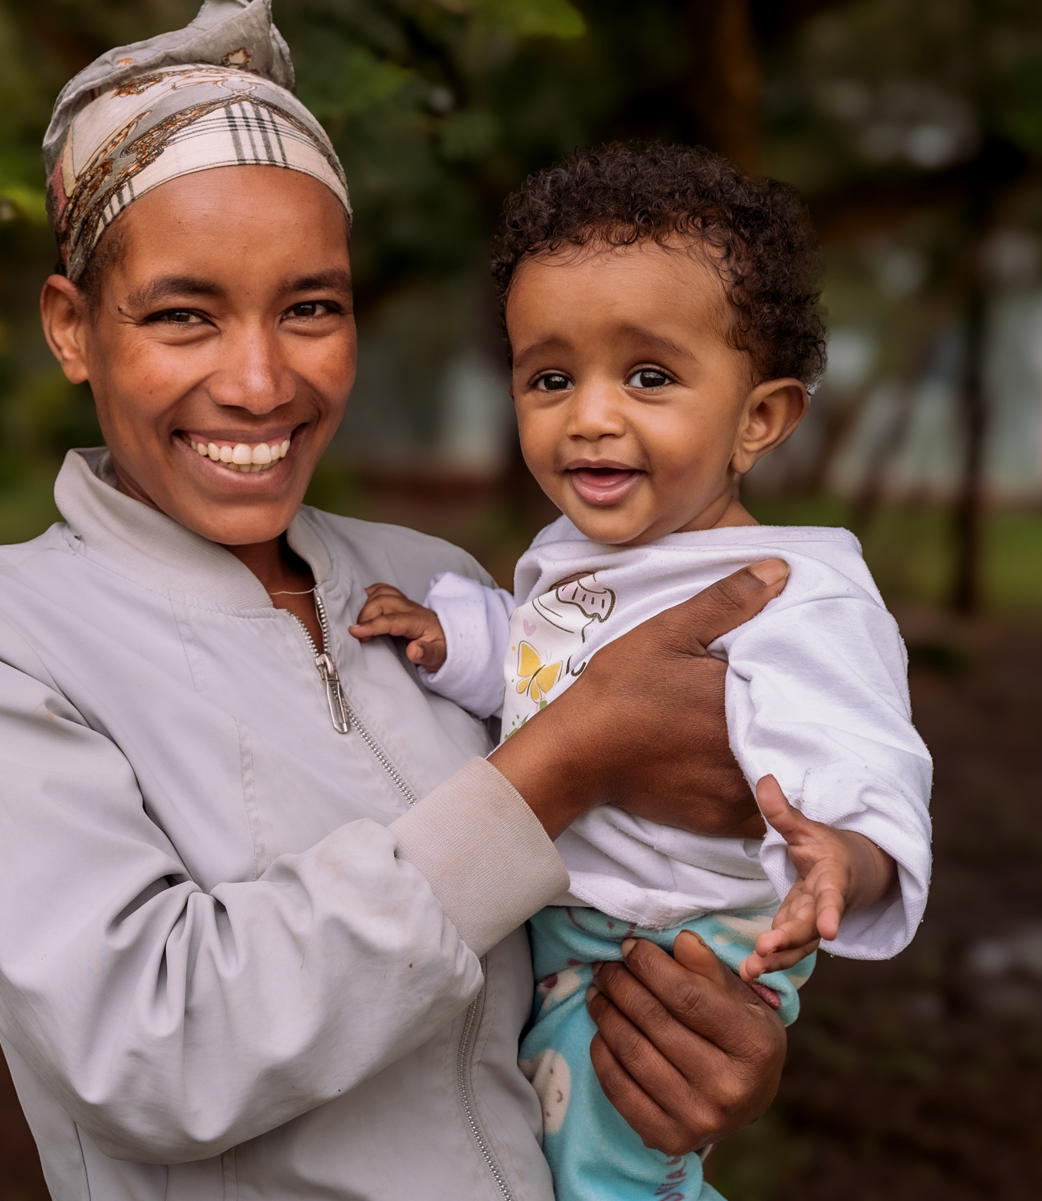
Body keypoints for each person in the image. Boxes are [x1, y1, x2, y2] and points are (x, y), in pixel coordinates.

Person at [0, 0, 845, 1201]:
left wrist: (704, 1045)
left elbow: (586, 933)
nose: (261, 380)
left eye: (310, 308)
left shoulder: (433, 583)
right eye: (184, 315)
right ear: (73, 330)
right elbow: (154, 1055)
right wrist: (563, 763)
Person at [351, 144, 933, 1201]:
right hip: (571, 933)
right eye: (552, 376)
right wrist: (456, 642)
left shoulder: (791, 586)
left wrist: (843, 858)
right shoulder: (579, 555)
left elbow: (866, 758)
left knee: (609, 1165)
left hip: (675, 950)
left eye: (650, 376)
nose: (591, 415)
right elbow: (545, 664)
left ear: (760, 419)